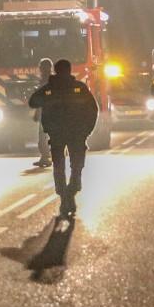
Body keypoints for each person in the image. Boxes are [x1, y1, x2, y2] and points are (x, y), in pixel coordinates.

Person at [28, 58, 98, 215]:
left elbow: (33, 102)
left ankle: (63, 194)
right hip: (77, 134)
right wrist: (87, 130)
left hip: (57, 134)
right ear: (69, 70)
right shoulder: (79, 88)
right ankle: (73, 189)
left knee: (58, 166)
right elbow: (93, 110)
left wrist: (46, 97)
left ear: (56, 70)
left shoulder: (49, 89)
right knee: (77, 165)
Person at [32, 57, 54, 168]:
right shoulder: (52, 80)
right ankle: (46, 157)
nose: (41, 69)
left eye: (42, 67)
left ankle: (46, 157)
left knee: (44, 136)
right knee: (46, 136)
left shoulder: (49, 81)